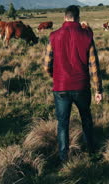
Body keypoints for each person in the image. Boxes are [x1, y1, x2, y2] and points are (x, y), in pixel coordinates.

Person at [44, 5, 103, 162]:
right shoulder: (87, 36)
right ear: (78, 17)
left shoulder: (53, 36)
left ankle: (64, 158)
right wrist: (98, 90)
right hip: (82, 86)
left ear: (65, 17)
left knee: (63, 124)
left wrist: (56, 76)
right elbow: (94, 66)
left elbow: (47, 65)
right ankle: (91, 151)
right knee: (86, 118)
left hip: (61, 87)